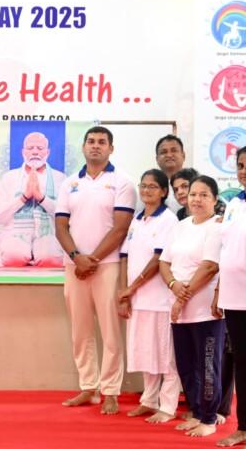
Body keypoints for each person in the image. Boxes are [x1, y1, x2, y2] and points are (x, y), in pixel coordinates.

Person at [55, 126, 136, 414]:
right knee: (81, 330)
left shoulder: (122, 181)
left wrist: (93, 260)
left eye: (102, 142)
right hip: (74, 267)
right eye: (91, 141)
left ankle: (110, 391)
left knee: (110, 331)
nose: (96, 146)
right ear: (83, 146)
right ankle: (88, 388)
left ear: (111, 148)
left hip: (108, 266)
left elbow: (121, 228)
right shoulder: (69, 183)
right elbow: (61, 226)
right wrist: (77, 257)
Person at [159, 175, 223, 437]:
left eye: (204, 194)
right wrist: (173, 284)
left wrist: (181, 298)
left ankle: (209, 418)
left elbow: (210, 267)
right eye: (193, 194)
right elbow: (164, 262)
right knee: (186, 365)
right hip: (178, 309)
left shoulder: (217, 227)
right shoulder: (181, 225)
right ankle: (196, 412)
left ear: (215, 199)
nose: (197, 199)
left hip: (205, 310)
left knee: (208, 366)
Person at [118, 169, 180, 423]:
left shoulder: (169, 220)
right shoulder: (137, 219)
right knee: (146, 351)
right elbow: (125, 257)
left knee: (166, 355)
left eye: (152, 186)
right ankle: (149, 400)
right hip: (139, 300)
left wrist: (132, 288)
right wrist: (125, 293)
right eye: (143, 186)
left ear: (164, 191)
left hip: (160, 300)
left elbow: (158, 260)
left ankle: (168, 406)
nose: (146, 191)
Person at [0, 131, 65, 267]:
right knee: (14, 259)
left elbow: (65, 216)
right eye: (30, 148)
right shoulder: (9, 178)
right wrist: (24, 198)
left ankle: (38, 252)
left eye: (40, 148)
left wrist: (41, 198)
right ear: (23, 152)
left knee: (50, 260)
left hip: (49, 232)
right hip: (15, 232)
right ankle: (26, 253)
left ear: (47, 152)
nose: (35, 152)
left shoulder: (60, 178)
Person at [215, 146, 246, 447]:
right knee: (242, 362)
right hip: (235, 296)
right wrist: (218, 291)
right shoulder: (234, 203)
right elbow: (226, 249)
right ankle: (244, 427)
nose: (244, 171)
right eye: (240, 165)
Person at [155, 135, 186, 212]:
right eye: (163, 152)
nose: (169, 155)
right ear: (157, 159)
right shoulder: (150, 187)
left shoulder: (196, 183)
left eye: (174, 150)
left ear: (183, 155)